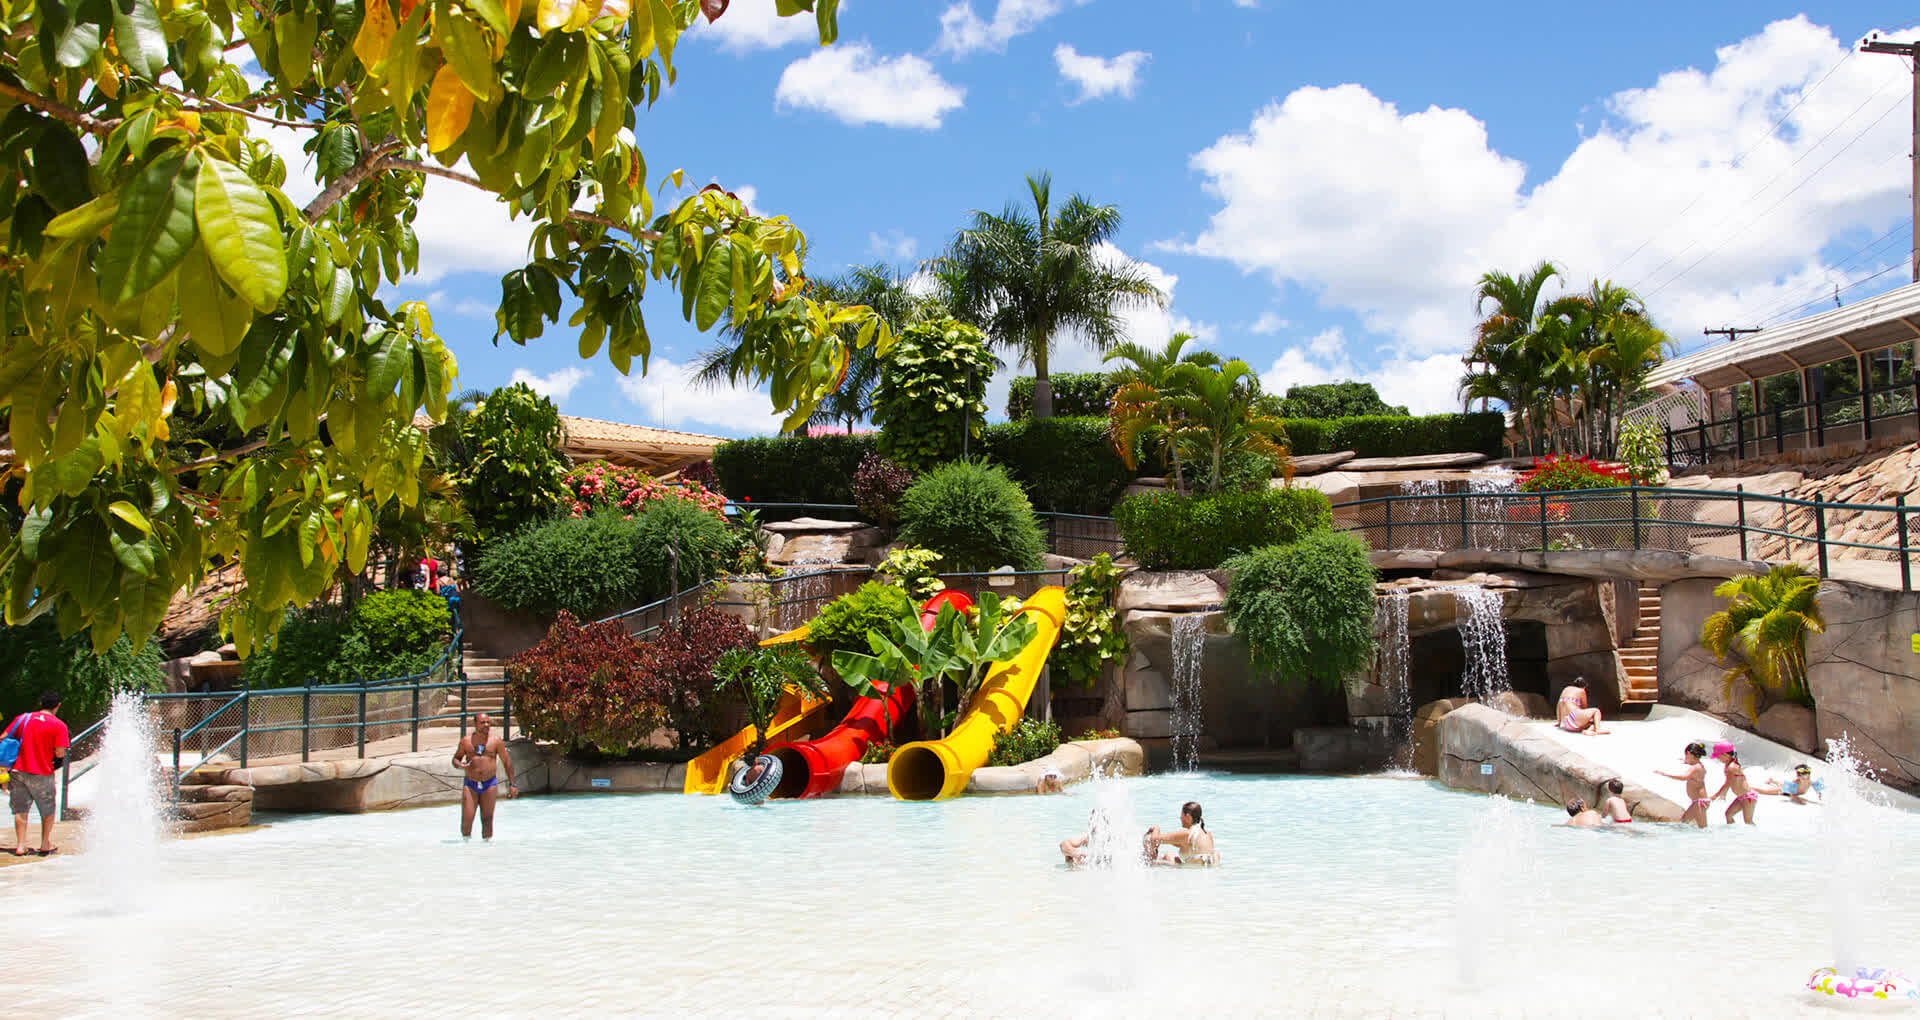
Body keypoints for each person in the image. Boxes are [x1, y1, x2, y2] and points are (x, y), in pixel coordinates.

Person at [7, 691, 70, 857]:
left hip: (18, 770)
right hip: (42, 771)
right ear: (58, 705)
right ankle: (44, 844)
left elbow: (5, 736)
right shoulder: (59, 725)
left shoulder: (23, 718)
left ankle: (21, 846)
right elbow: (60, 753)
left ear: (41, 703)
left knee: (20, 809)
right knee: (47, 809)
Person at [451, 713, 516, 839]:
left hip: (489, 784)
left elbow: (506, 763)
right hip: (471, 784)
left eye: (488, 722)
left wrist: (512, 784)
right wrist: (460, 765)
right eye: (482, 723)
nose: (486, 725)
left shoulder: (496, 741)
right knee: (466, 821)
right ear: (475, 724)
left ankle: (487, 850)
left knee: (487, 820)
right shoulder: (466, 741)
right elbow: (455, 759)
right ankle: (466, 848)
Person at [1144, 801, 1218, 866]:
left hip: (1193, 872)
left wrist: (1156, 828)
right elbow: (1182, 844)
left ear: (1187, 816)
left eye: (1181, 815)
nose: (1180, 818)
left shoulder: (1188, 834)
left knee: (1167, 855)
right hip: (1204, 870)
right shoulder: (1207, 834)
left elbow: (1154, 840)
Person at [1655, 741, 1711, 828]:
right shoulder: (1699, 765)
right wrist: (1685, 761)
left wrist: (1664, 774)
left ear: (1689, 754)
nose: (1685, 758)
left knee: (1703, 828)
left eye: (1686, 756)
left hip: (1700, 802)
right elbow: (1691, 763)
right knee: (1684, 822)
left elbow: (1683, 777)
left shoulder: (1695, 768)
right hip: (1698, 802)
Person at [1710, 741, 1757, 825]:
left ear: (1725, 755)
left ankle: (1756, 836)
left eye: (1718, 756)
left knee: (1748, 821)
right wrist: (1724, 793)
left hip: (1748, 797)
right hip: (1741, 797)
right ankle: (1732, 834)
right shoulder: (1728, 764)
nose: (1717, 758)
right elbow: (1731, 782)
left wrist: (1716, 795)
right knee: (1728, 815)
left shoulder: (1731, 767)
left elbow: (1728, 783)